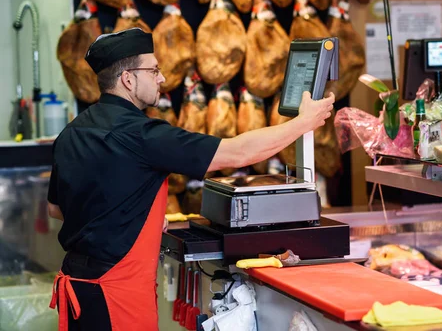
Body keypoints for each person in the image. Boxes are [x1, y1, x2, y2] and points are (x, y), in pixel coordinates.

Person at [46, 28, 334, 331]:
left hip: (78, 288)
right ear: (128, 79)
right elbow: (236, 153)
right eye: (153, 70)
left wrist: (130, 218)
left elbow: (57, 208)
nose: (162, 78)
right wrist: (304, 122)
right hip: (117, 296)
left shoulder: (72, 132)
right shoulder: (143, 136)